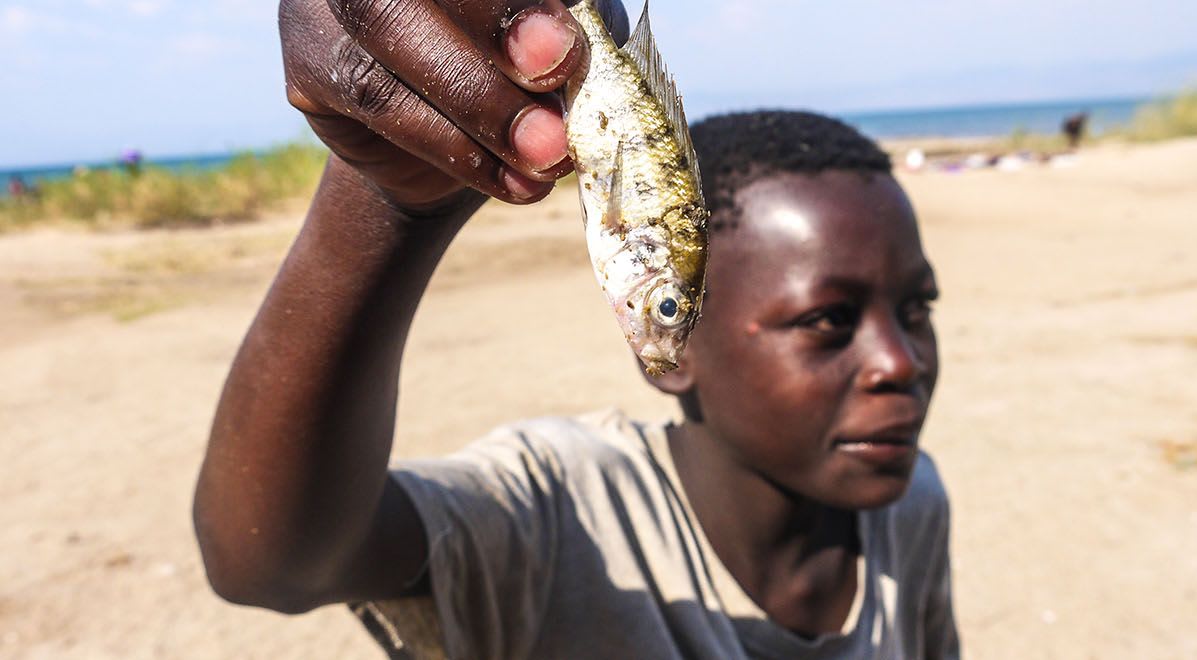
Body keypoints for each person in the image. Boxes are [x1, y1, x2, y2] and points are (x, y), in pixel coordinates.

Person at [193, 1, 958, 658]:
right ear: (677, 357)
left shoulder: (910, 506)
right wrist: (397, 196)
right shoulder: (557, 511)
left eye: (917, 311)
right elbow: (269, 562)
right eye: (827, 321)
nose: (900, 363)